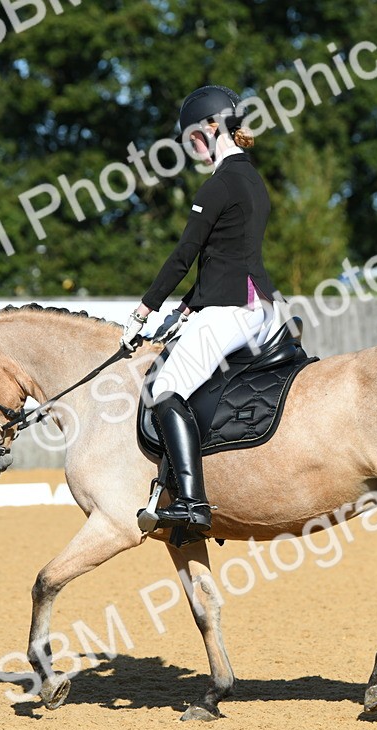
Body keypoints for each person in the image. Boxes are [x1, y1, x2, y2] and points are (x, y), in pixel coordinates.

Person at [120, 84, 284, 536]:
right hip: (259, 305)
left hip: (232, 309)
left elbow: (183, 255)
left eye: (192, 135)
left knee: (164, 389)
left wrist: (143, 311)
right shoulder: (250, 178)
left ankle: (192, 503)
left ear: (213, 127)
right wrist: (190, 306)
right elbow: (225, 255)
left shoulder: (218, 184)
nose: (189, 144)